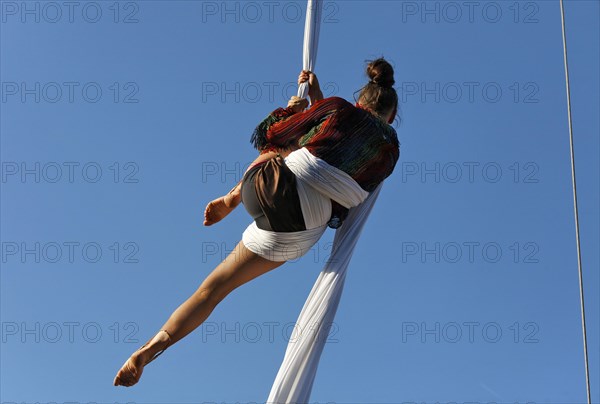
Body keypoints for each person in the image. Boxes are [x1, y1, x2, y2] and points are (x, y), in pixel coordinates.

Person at [113, 57, 400, 387]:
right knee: (218, 290)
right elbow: (340, 154)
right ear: (391, 117)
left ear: (359, 99)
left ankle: (231, 199)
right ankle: (153, 349)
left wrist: (291, 111)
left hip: (266, 187)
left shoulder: (338, 109)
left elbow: (270, 134)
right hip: (300, 229)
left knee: (283, 144)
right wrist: (317, 104)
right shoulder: (389, 150)